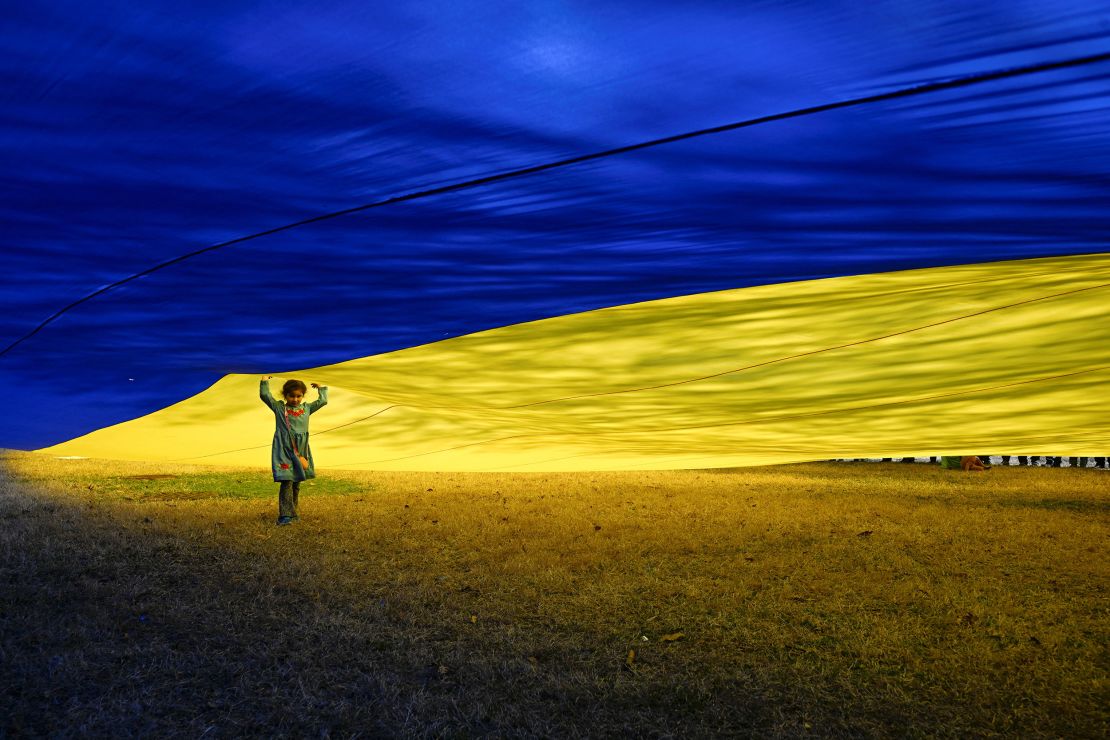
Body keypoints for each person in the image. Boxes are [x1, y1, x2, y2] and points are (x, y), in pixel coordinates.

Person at [260, 376, 328, 525]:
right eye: (292, 396)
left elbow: (323, 401)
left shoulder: (306, 409)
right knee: (287, 481)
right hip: (284, 449)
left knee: (296, 482)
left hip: (300, 450)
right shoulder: (279, 408)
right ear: (285, 396)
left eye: (299, 396)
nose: (295, 399)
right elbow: (265, 395)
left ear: (303, 396)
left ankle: (293, 513)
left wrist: (321, 388)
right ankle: (284, 515)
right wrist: (265, 380)